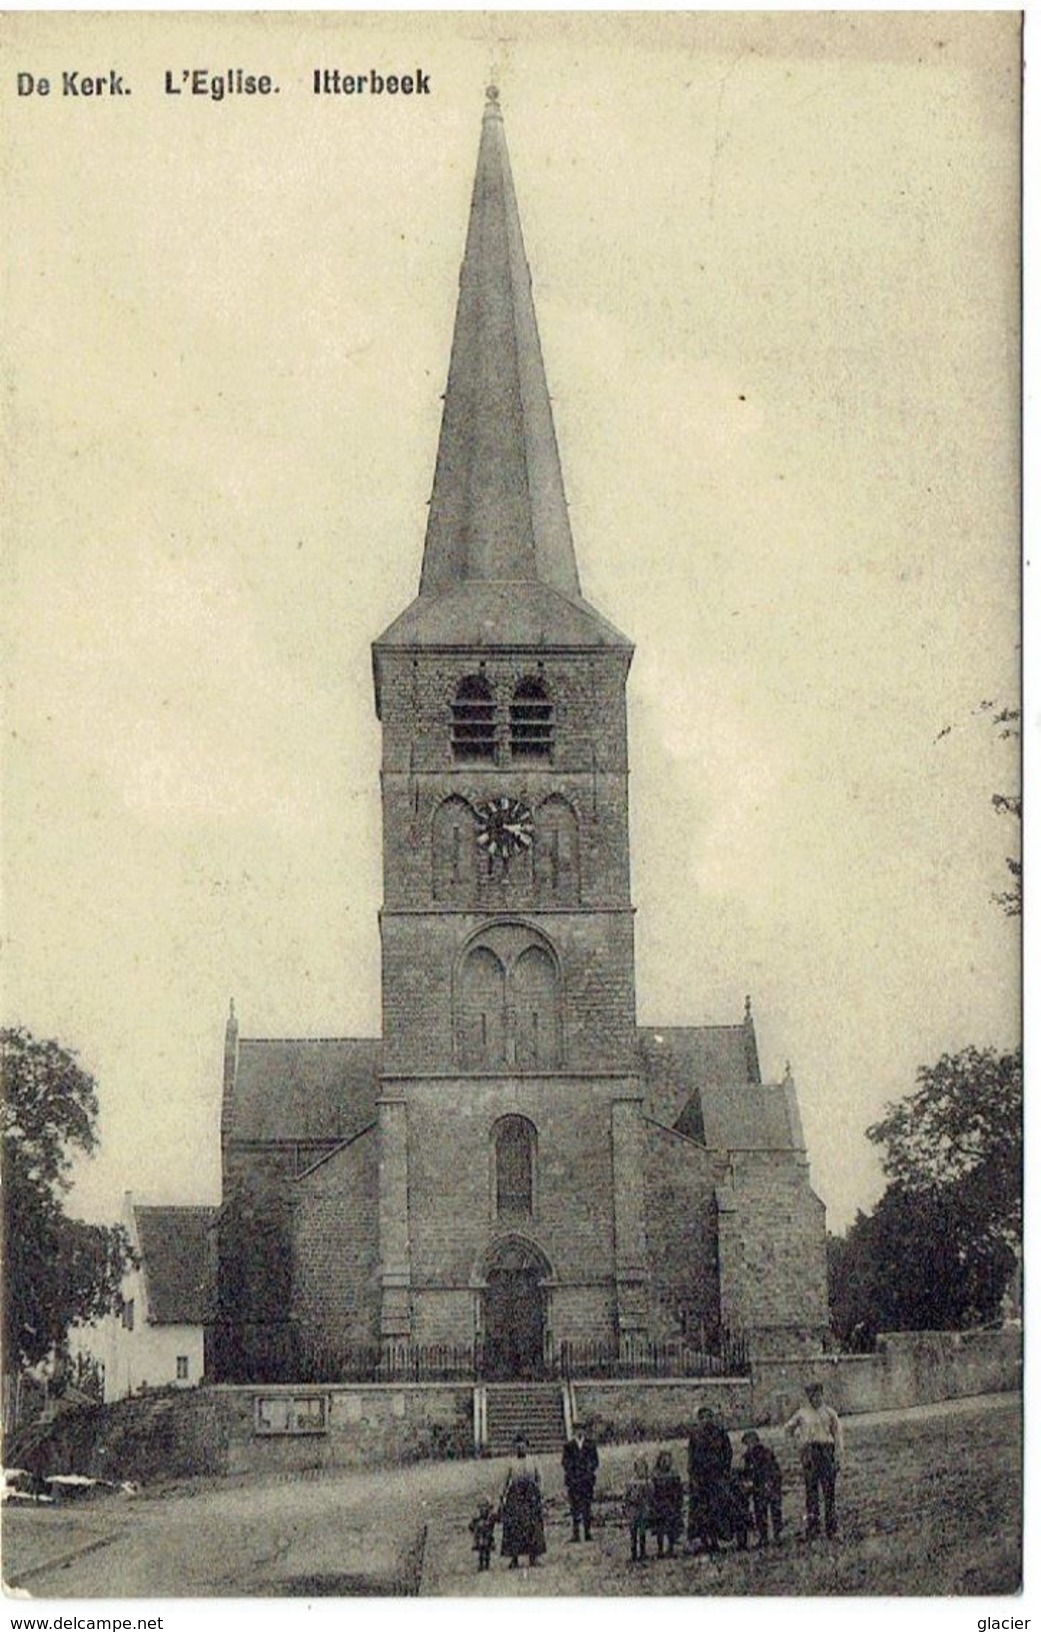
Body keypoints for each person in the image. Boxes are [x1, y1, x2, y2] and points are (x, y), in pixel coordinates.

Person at [785, 1381, 843, 1540]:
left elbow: (837, 1435)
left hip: (826, 1452)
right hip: (810, 1453)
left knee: (829, 1492)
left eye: (817, 1395)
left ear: (822, 1395)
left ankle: (832, 1528)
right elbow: (788, 1428)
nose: (815, 1398)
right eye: (811, 1395)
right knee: (811, 1492)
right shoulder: (802, 1413)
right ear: (808, 1397)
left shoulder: (830, 1413)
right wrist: (799, 1444)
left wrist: (837, 1456)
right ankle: (813, 1529)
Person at [687, 1405, 733, 1553]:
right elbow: (691, 1457)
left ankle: (715, 1540)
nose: (706, 1420)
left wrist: (724, 1468)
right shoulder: (695, 1435)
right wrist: (693, 1476)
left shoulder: (720, 1433)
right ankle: (703, 1541)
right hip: (700, 1479)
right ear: (699, 1420)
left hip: (716, 1477)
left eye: (709, 1416)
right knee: (701, 1512)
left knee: (717, 1508)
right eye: (703, 1417)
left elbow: (728, 1452)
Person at [500, 1435, 547, 1567]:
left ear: (527, 1446)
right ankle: (514, 1558)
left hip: (531, 1495)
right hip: (515, 1496)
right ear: (515, 1447)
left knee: (533, 1524)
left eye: (523, 1445)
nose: (520, 1448)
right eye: (518, 1446)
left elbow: (540, 1478)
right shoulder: (510, 1462)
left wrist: (540, 1493)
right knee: (514, 1526)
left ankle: (534, 1556)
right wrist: (501, 1496)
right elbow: (505, 1480)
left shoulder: (534, 1460)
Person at [739, 1430, 784, 1546]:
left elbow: (772, 1470)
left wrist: (768, 1483)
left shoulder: (764, 1453)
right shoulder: (749, 1456)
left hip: (769, 1484)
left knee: (772, 1511)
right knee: (761, 1511)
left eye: (748, 1443)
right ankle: (765, 1536)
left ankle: (776, 1535)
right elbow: (748, 1472)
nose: (747, 1447)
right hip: (760, 1486)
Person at [562, 1420, 599, 1542]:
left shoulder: (590, 1445)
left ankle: (588, 1532)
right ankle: (576, 1533)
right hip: (574, 1481)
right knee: (574, 1508)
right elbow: (565, 1462)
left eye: (581, 1429)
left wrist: (588, 1469)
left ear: (584, 1431)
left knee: (587, 1507)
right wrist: (573, 1470)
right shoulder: (568, 1446)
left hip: (586, 1481)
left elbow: (595, 1461)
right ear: (574, 1431)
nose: (579, 1432)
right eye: (577, 1429)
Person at [649, 1449, 685, 1557]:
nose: (666, 1463)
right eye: (663, 1460)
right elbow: (652, 1492)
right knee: (660, 1527)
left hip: (671, 1505)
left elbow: (679, 1491)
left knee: (672, 1527)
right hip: (659, 1506)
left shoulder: (674, 1475)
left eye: (668, 1460)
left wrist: (679, 1503)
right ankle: (660, 1548)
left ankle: (671, 1546)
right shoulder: (656, 1476)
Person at [621, 1456, 653, 1563]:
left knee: (642, 1531)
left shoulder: (648, 1482)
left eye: (643, 1468)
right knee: (633, 1531)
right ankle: (634, 1553)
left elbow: (651, 1495)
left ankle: (643, 1552)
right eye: (639, 1468)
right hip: (633, 1509)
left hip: (643, 1509)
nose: (641, 1470)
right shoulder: (631, 1482)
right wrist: (626, 1506)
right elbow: (626, 1495)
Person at [469, 1497, 498, 1571]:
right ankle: (481, 1564)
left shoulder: (490, 1517)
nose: (483, 1510)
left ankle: (487, 1564)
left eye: (485, 1507)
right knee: (481, 1551)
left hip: (488, 1537)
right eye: (481, 1508)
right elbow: (471, 1526)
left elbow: (497, 1518)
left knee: (487, 1550)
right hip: (480, 1537)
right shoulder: (477, 1518)